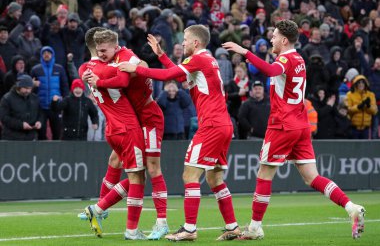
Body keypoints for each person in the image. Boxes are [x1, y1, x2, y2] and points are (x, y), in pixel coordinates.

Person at [222, 19, 365, 240]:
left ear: (284, 39)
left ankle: (254, 228)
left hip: (283, 124)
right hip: (300, 124)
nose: (271, 38)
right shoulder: (299, 58)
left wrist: (245, 52)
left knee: (264, 174)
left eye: (275, 35)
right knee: (312, 177)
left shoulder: (285, 58)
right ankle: (350, 207)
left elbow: (270, 70)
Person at [119, 25, 241, 241]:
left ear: (196, 42)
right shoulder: (205, 60)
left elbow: (168, 74)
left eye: (185, 39)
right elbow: (176, 74)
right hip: (223, 124)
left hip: (211, 125)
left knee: (190, 175)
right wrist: (162, 55)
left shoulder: (199, 59)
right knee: (215, 178)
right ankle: (232, 226)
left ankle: (190, 229)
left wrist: (136, 69)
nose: (182, 43)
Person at [82, 28, 170, 240]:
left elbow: (139, 69)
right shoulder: (108, 62)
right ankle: (100, 209)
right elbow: (93, 67)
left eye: (104, 50)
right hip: (132, 122)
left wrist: (139, 66)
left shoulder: (126, 56)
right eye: (98, 51)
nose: (101, 54)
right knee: (120, 163)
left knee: (151, 168)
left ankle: (161, 221)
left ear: (115, 47)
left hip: (148, 118)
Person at [30, 46, 69, 140]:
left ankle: (56, 153)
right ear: (41, 55)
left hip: (55, 106)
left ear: (52, 55)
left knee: (57, 132)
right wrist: (33, 85)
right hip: (41, 107)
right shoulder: (35, 69)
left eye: (49, 53)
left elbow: (65, 86)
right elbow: (29, 88)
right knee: (41, 133)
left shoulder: (59, 69)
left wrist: (64, 103)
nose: (46, 55)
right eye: (44, 53)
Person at [0, 74, 42, 140]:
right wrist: (21, 125)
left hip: (31, 137)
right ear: (18, 87)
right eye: (25, 88)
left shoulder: (34, 98)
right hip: (12, 138)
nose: (28, 91)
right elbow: (4, 118)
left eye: (30, 88)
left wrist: (39, 121)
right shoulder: (7, 98)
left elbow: (40, 113)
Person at [346, 75, 378, 139]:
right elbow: (348, 110)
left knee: (364, 148)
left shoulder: (371, 94)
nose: (361, 84)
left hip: (366, 129)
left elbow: (375, 111)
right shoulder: (350, 94)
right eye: (359, 82)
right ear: (355, 84)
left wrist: (368, 106)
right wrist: (358, 107)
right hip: (353, 128)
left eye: (362, 82)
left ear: (365, 84)